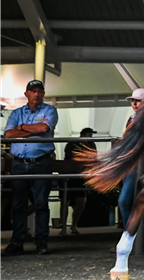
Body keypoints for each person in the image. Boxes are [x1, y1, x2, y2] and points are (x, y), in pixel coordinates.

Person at [3, 80, 58, 256]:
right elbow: (8, 134)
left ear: (43, 93)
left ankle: (41, 242)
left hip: (41, 162)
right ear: (26, 93)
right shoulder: (16, 112)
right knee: (18, 204)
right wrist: (33, 130)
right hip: (19, 163)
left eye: (39, 91)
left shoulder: (50, 110)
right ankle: (17, 241)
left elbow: (44, 128)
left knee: (41, 203)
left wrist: (21, 128)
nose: (36, 94)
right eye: (33, 91)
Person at [63, 127, 98, 234]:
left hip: (81, 175)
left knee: (79, 201)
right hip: (71, 173)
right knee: (67, 200)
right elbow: (71, 158)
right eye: (89, 134)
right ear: (83, 134)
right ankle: (65, 225)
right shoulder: (73, 144)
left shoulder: (91, 144)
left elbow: (94, 158)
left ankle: (72, 225)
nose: (91, 136)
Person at [119, 89, 144, 229]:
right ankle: (129, 236)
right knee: (126, 201)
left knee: (124, 201)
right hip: (130, 162)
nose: (134, 104)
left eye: (138, 101)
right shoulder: (132, 118)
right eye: (133, 101)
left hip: (136, 162)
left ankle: (129, 236)